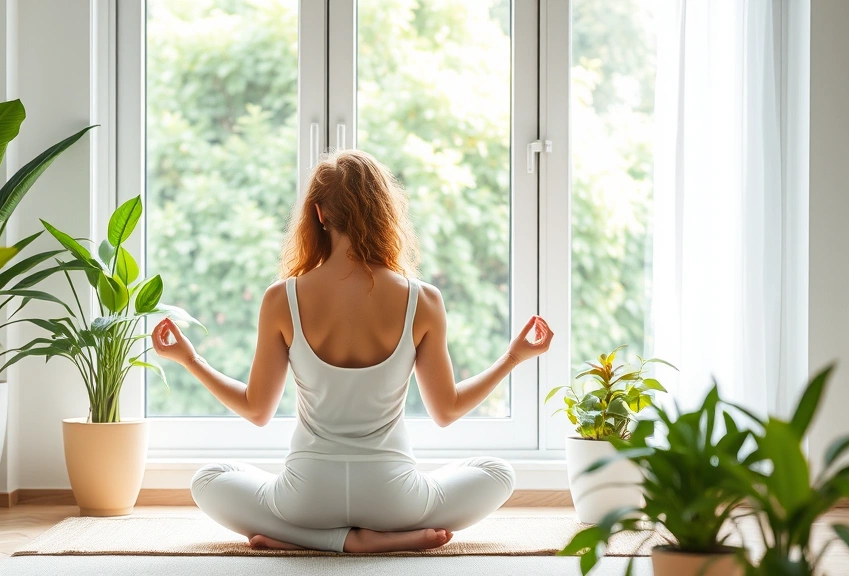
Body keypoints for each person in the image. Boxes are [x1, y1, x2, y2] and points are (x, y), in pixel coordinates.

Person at [152, 149, 554, 553]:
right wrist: (513, 358)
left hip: (306, 498)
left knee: (207, 480)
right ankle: (376, 540)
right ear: (383, 211)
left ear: (319, 214)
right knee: (498, 472)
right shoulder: (422, 300)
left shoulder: (282, 298)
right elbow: (446, 411)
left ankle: (322, 540)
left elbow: (257, 411)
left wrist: (191, 359)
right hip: (395, 500)